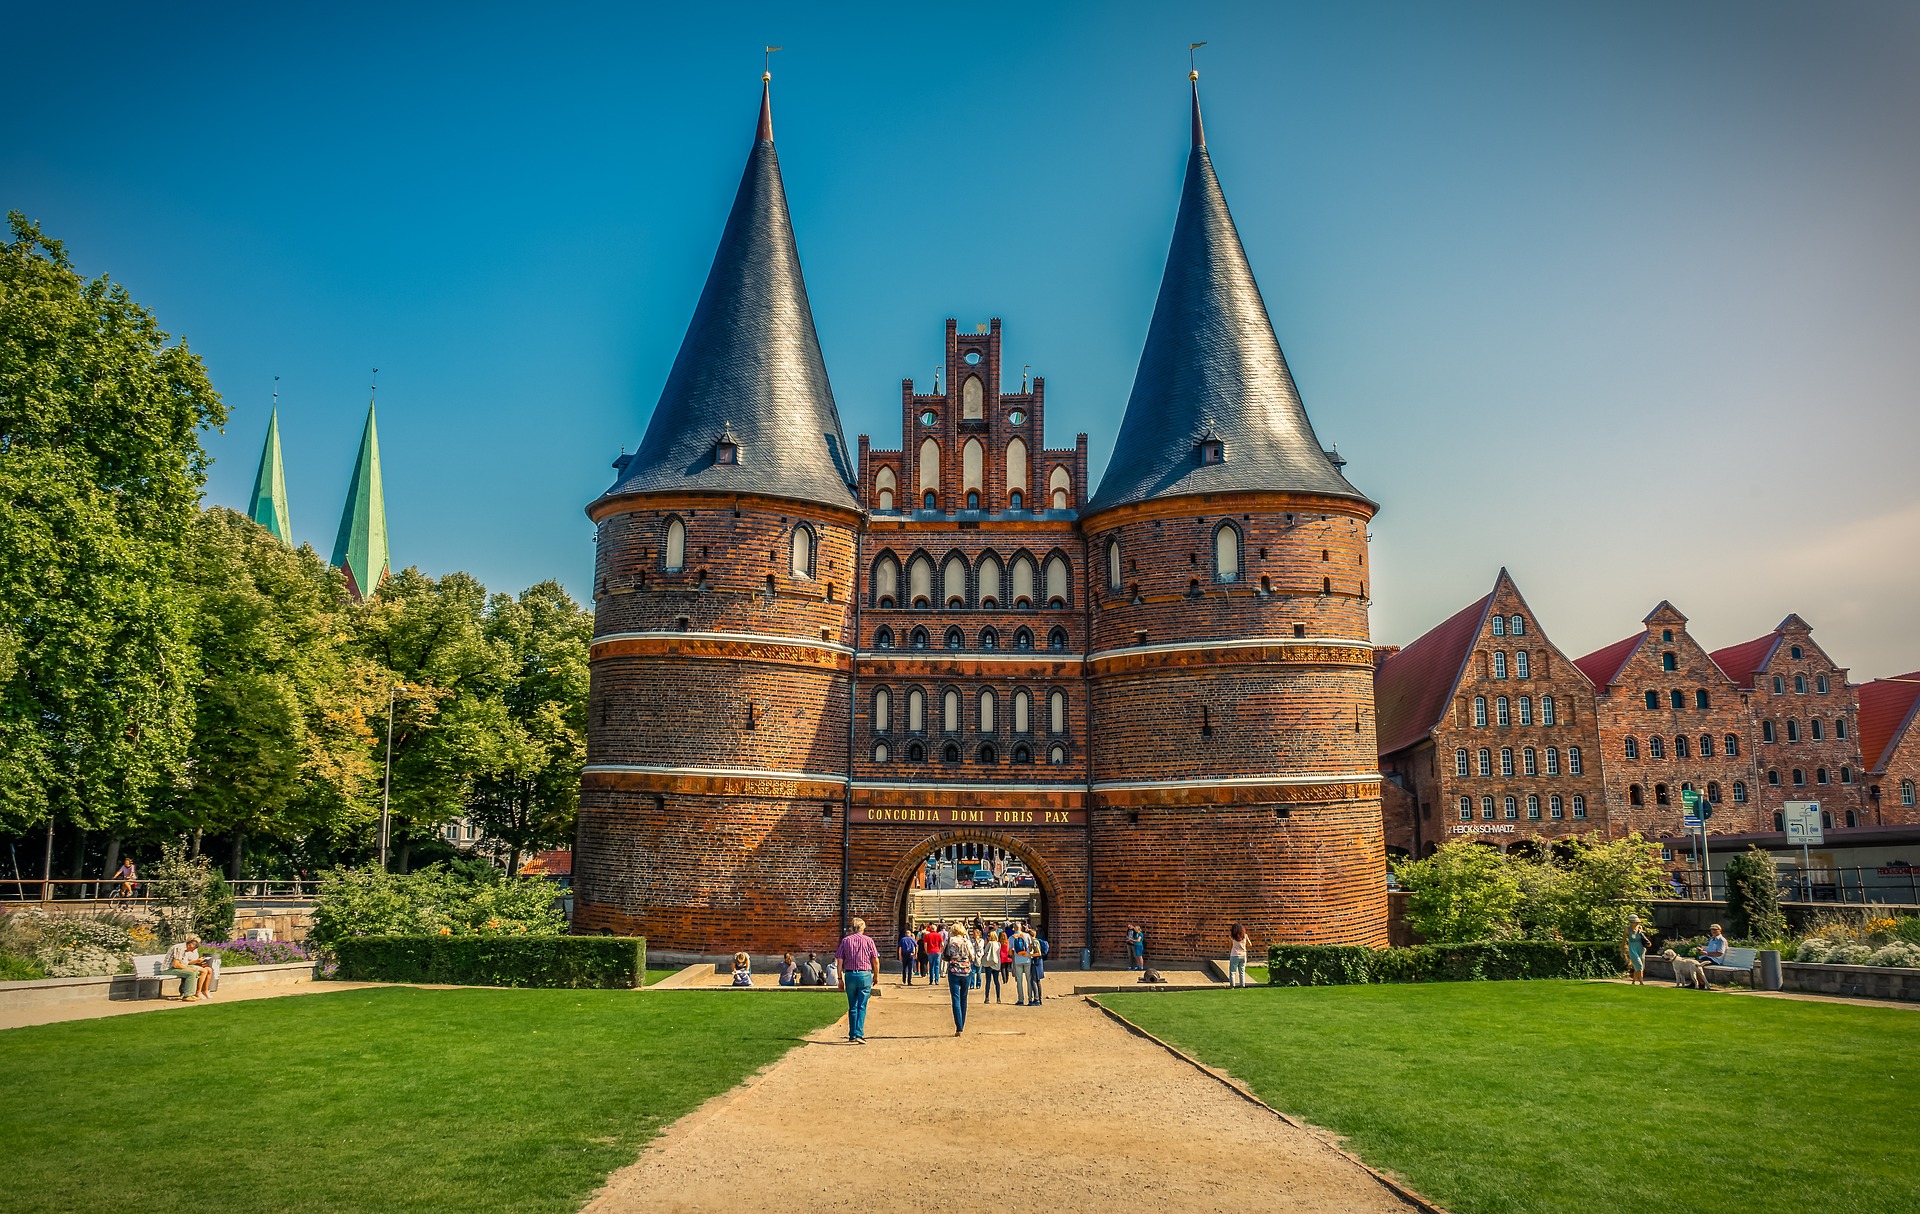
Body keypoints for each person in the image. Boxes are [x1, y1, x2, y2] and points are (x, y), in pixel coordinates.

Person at [835, 917, 880, 1044]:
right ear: (862, 928)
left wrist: (839, 978)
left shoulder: (845, 941)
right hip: (865, 974)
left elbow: (839, 960)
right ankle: (859, 1033)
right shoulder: (869, 941)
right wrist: (876, 975)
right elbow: (875, 960)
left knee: (852, 1006)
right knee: (862, 1005)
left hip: (850, 974)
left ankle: (852, 1034)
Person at [943, 921, 976, 1034]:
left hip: (954, 970)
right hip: (966, 971)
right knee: (964, 997)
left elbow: (945, 955)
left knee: (955, 998)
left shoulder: (950, 941)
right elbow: (973, 956)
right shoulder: (967, 941)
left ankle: (959, 1026)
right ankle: (962, 1023)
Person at [163, 935, 211, 1001]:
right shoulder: (180, 948)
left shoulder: (185, 949)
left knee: (195, 971)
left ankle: (192, 994)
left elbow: (183, 963)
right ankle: (187, 995)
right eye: (192, 950)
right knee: (191, 973)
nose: (191, 951)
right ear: (189, 946)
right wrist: (189, 969)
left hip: (176, 967)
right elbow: (176, 964)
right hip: (168, 969)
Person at [1623, 915, 1652, 986]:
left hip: (1641, 948)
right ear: (1631, 922)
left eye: (1637, 922)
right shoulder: (1627, 929)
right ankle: (1641, 982)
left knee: (1639, 966)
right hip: (1632, 948)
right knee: (1639, 965)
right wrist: (1622, 951)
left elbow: (1643, 937)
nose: (1636, 924)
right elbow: (1623, 941)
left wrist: (1647, 943)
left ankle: (1633, 982)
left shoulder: (1640, 928)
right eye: (1635, 922)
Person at [979, 928, 1004, 1003]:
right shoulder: (998, 943)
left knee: (988, 981)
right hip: (996, 963)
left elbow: (985, 951)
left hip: (989, 963)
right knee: (996, 981)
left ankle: (987, 998)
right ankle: (998, 998)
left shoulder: (990, 943)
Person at [1009, 924, 1032, 1005]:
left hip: (1017, 960)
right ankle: (1030, 999)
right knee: (1029, 980)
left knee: (1019, 981)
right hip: (1027, 959)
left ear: (1014, 928)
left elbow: (1010, 952)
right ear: (1021, 927)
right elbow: (1030, 946)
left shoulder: (1011, 937)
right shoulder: (1027, 935)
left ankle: (1021, 999)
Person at [1228, 923, 1252, 988]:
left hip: (1234, 954)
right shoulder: (1245, 936)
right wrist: (1244, 946)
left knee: (1232, 971)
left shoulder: (1232, 937)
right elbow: (1250, 944)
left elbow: (1230, 946)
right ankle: (1242, 984)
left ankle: (1232, 985)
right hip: (1243, 954)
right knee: (1242, 971)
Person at [1027, 930, 1047, 1004]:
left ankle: (1036, 998)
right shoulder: (1035, 941)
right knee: (1037, 981)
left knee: (1033, 980)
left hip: (1036, 962)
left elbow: (1038, 953)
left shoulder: (1035, 942)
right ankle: (1039, 998)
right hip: (1039, 962)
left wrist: (1030, 955)